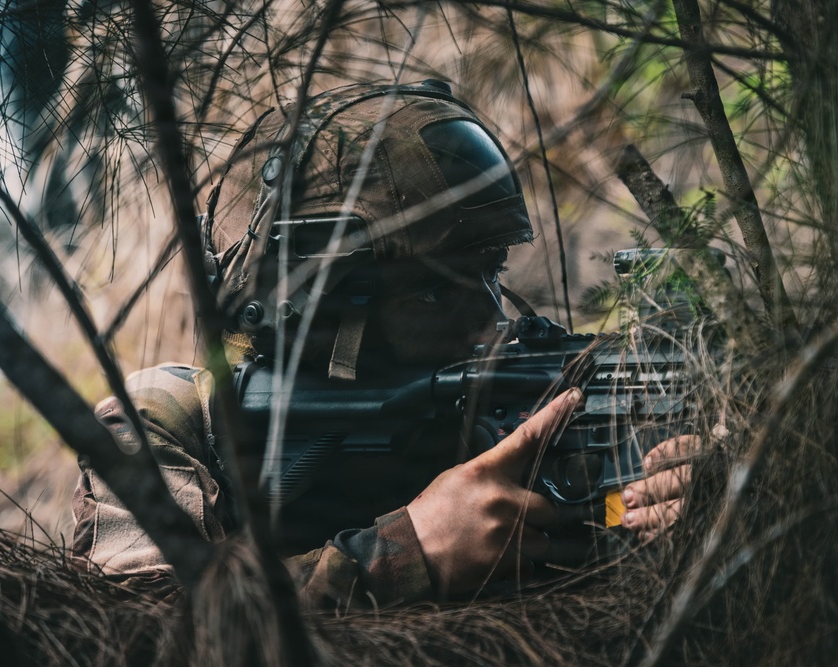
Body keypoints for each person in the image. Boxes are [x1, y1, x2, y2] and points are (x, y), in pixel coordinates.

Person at [71, 80, 693, 610]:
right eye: (431, 294)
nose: (489, 317)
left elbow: (575, 529)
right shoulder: (170, 420)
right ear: (322, 309)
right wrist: (404, 553)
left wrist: (643, 508)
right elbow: (140, 622)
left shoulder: (521, 401)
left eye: (492, 271)